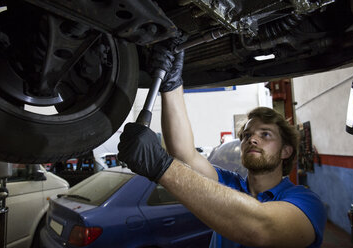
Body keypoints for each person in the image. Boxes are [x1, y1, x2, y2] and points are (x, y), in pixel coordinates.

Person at [118, 40, 327, 248]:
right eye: (246, 135)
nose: (252, 139)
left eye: (265, 134)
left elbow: (262, 229)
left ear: (286, 151)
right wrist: (171, 83)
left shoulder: (306, 202)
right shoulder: (230, 184)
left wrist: (160, 166)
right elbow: (185, 157)